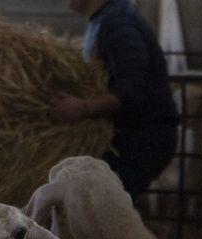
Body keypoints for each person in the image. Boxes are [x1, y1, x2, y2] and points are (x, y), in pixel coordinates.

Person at [51, 0, 179, 199]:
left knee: (105, 212)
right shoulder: (103, 20)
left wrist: (83, 108)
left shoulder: (119, 24)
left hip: (142, 137)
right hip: (128, 136)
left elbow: (134, 87)